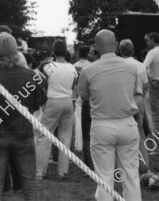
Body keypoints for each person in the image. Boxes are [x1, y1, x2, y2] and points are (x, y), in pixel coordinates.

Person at [0, 33, 44, 200]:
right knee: (29, 183)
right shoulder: (30, 75)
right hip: (23, 135)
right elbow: (37, 104)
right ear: (16, 51)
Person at [79, 30, 140, 201]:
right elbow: (135, 91)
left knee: (105, 177)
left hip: (102, 126)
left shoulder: (88, 71)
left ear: (96, 48)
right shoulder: (132, 67)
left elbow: (83, 96)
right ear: (115, 44)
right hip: (127, 124)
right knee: (131, 176)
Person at [35, 40, 77, 180]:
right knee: (65, 137)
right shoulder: (72, 68)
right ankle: (62, 172)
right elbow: (73, 87)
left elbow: (39, 83)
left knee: (45, 136)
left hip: (53, 101)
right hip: (68, 102)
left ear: (53, 51)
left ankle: (40, 171)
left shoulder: (49, 67)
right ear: (66, 52)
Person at [119, 39, 150, 173]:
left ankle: (124, 167)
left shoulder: (118, 65)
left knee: (122, 133)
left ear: (120, 51)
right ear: (133, 50)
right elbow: (146, 85)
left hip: (125, 99)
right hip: (138, 98)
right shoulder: (141, 65)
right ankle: (143, 165)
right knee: (140, 133)